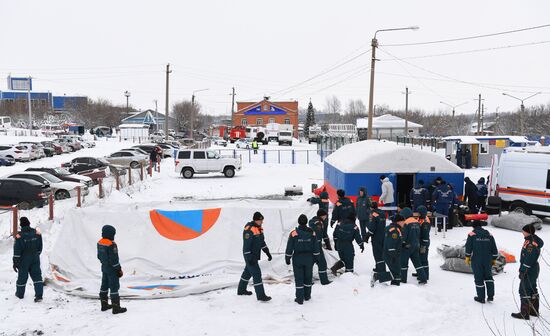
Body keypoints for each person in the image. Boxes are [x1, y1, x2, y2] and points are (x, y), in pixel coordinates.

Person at [511, 224, 544, 320]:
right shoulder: (531, 240)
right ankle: (533, 311)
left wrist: (523, 270)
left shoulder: (531, 243)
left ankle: (525, 313)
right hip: (533, 268)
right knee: (532, 288)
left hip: (529, 269)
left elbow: (529, 258)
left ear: (527, 232)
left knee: (524, 289)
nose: (522, 232)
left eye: (523, 231)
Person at [238, 212, 272, 301]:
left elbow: (261, 242)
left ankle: (241, 290)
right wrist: (249, 258)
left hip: (254, 255)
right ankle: (261, 295)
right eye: (261, 220)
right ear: (256, 220)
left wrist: (267, 252)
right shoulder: (249, 229)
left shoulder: (259, 229)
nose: (262, 222)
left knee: (247, 272)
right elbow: (246, 246)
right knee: (257, 274)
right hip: (249, 255)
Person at [286, 215, 320, 304]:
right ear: (306, 222)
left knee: (299, 278)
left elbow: (289, 247)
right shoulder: (312, 232)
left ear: (298, 222)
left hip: (297, 258)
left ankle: (300, 299)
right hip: (309, 258)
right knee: (308, 277)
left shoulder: (294, 233)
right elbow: (316, 246)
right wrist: (317, 257)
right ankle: (307, 296)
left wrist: (287, 257)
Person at [465, 220, 498, 304]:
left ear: (473, 227)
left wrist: (467, 257)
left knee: (479, 278)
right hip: (488, 259)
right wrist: (494, 258)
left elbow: (468, 247)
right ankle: (490, 296)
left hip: (477, 259)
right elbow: (494, 248)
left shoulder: (472, 235)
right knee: (488, 277)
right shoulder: (489, 235)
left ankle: (481, 298)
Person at [97, 225, 126, 314]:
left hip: (104, 267)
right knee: (114, 287)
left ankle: (104, 305)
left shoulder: (99, 242)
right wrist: (119, 269)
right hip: (112, 269)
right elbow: (114, 260)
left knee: (104, 285)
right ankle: (116, 307)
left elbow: (99, 256)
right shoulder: (111, 244)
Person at [13, 217, 43, 302]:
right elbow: (40, 247)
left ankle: (20, 294)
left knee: (22, 276)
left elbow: (17, 250)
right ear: (29, 223)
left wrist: (15, 261)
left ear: (21, 225)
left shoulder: (19, 236)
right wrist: (36, 255)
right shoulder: (37, 233)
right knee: (37, 276)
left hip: (24, 259)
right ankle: (39, 295)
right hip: (35, 257)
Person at [371, 214, 404, 286]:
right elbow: (391, 243)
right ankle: (377, 276)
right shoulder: (395, 230)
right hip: (391, 254)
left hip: (389, 253)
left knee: (396, 272)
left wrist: (403, 244)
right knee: (396, 272)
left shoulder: (390, 228)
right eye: (402, 221)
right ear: (398, 222)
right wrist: (393, 256)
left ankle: (394, 286)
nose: (404, 223)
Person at [399, 208, 427, 284]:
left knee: (403, 263)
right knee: (417, 263)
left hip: (407, 246)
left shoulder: (406, 223)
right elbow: (419, 234)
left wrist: (402, 243)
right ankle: (423, 278)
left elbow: (404, 235)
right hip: (416, 245)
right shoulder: (417, 222)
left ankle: (403, 279)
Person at [308, 209, 331, 285]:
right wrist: (319, 245)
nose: (326, 217)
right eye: (325, 215)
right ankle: (324, 281)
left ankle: (308, 281)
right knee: (322, 263)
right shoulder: (319, 223)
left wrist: (327, 244)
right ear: (322, 215)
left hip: (310, 246)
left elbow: (324, 235)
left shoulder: (313, 221)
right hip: (316, 246)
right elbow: (317, 235)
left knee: (310, 263)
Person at [365, 202, 387, 274]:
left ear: (371, 208)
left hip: (376, 236)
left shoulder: (373, 214)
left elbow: (372, 227)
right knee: (381, 252)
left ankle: (380, 268)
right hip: (383, 235)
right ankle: (380, 267)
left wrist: (367, 235)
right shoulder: (383, 213)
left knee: (377, 253)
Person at [417, 206, 431, 280]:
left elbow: (425, 235)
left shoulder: (425, 222)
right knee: (419, 258)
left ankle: (425, 275)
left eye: (419, 213)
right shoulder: (420, 218)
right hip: (420, 242)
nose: (417, 214)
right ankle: (420, 272)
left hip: (423, 243)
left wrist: (423, 245)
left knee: (423, 258)